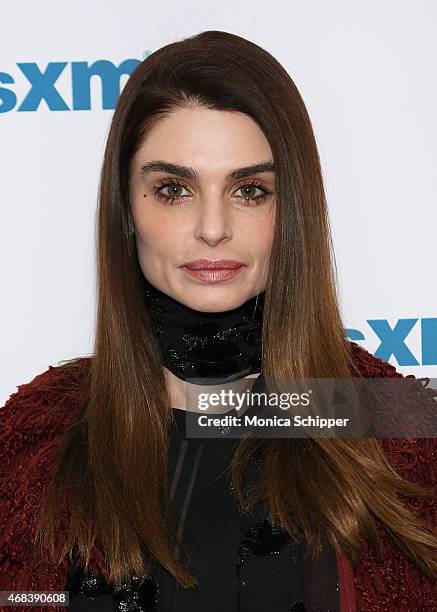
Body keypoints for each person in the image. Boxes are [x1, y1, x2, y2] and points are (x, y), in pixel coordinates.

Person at [0, 30, 436, 612]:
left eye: (250, 189)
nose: (212, 227)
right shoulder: (31, 443)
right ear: (126, 208)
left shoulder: (400, 429)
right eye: (174, 189)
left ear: (293, 210)